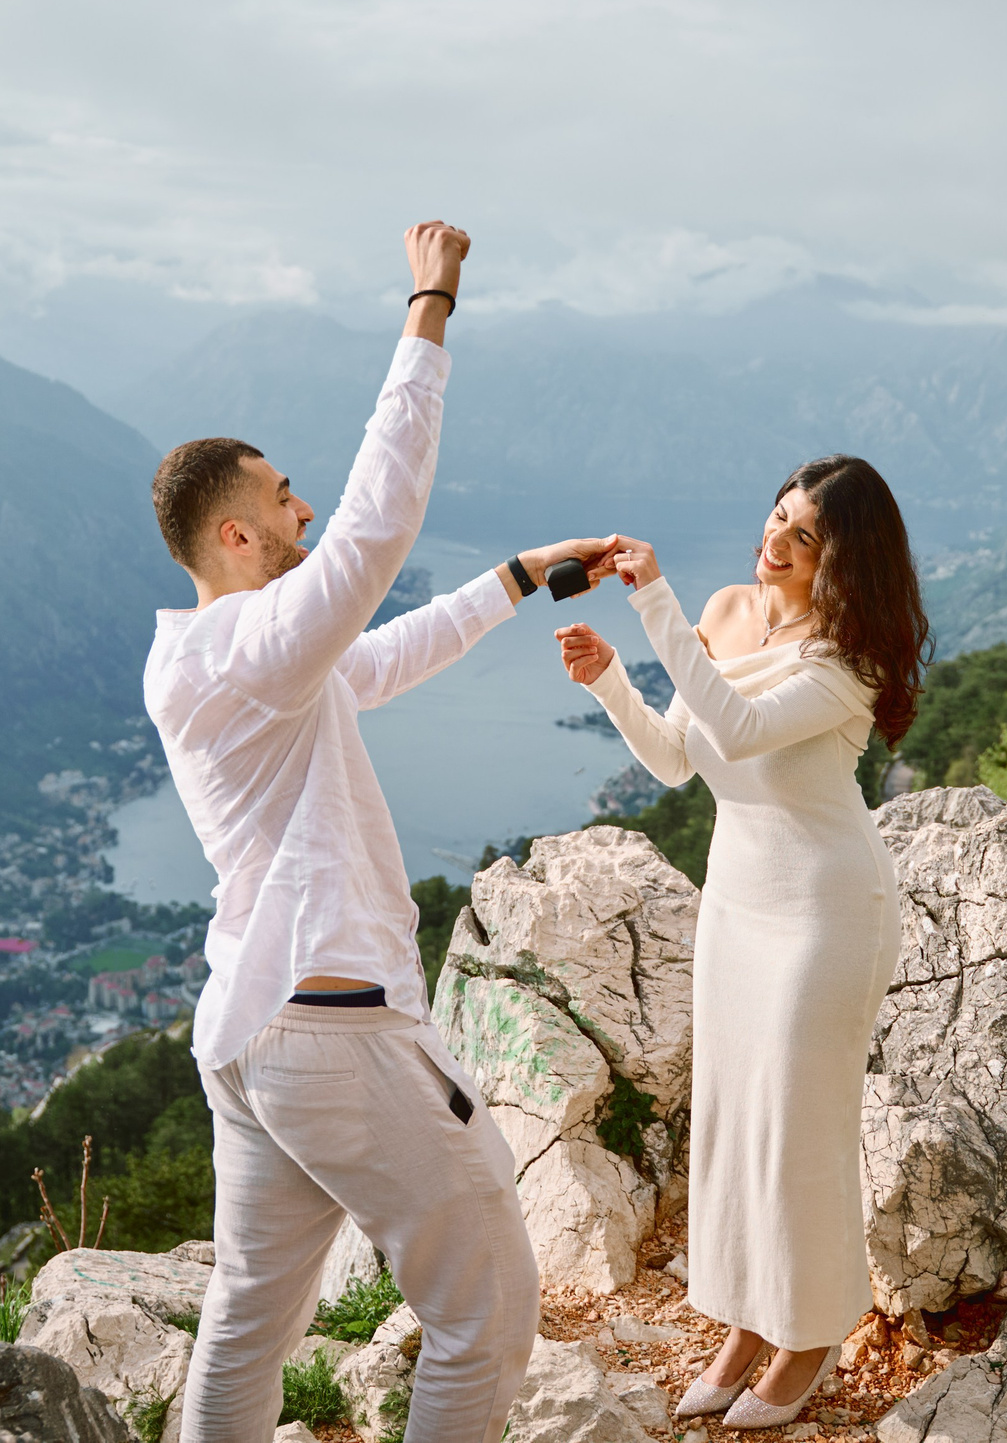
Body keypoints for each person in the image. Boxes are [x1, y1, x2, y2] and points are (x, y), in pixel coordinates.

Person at [146, 221, 611, 1443]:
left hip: (253, 1036)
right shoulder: (251, 644)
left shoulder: (231, 664)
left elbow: (386, 652)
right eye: (278, 496)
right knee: (486, 1310)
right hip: (332, 1036)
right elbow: (377, 524)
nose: (301, 506)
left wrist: (514, 575)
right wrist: (430, 303)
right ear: (235, 538)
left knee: (251, 1311)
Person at [552, 456, 928, 1431]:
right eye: (778, 517)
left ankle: (807, 1336)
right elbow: (681, 758)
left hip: (823, 914)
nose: (777, 540)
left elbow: (742, 727)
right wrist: (610, 688)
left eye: (805, 535)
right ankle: (744, 1328)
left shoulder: (853, 657)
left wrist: (648, 602)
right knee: (734, 1128)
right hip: (738, 905)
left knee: (796, 1132)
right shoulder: (724, 611)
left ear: (847, 561)